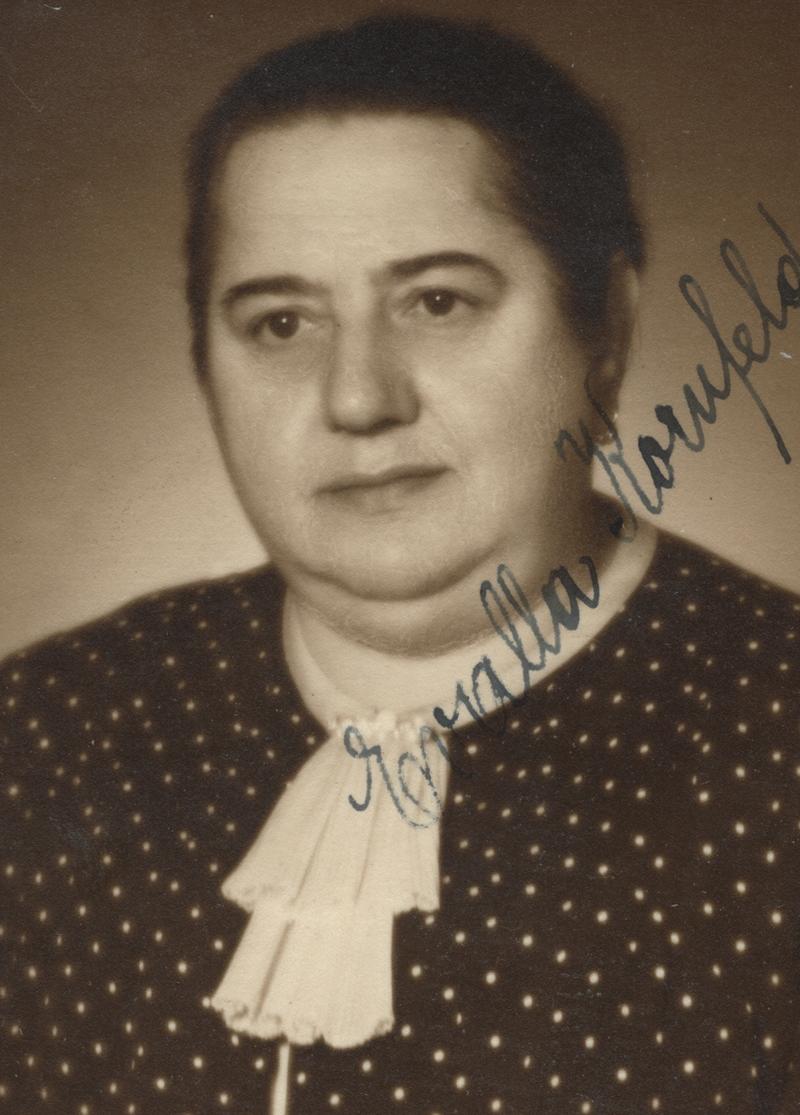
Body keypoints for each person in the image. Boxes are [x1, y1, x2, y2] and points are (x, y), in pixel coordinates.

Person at [2, 13, 799, 1115]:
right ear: (204, 360)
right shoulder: (45, 733)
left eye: (437, 302)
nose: (358, 397)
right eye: (281, 323)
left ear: (605, 329)